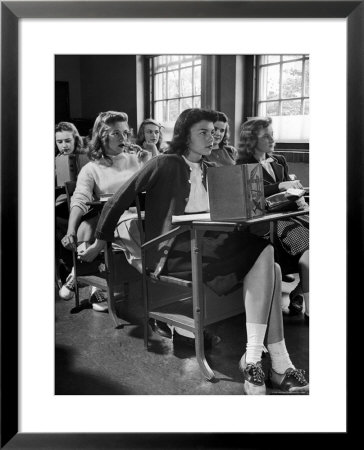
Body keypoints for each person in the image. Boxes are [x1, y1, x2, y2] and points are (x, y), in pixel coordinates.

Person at [79, 108, 309, 395]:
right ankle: (272, 363)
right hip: (172, 251)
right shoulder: (164, 163)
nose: (211, 137)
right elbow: (118, 200)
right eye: (203, 131)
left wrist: (273, 200)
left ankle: (262, 360)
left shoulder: (211, 168)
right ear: (183, 135)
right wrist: (100, 240)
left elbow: (236, 207)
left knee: (270, 263)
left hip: (208, 245)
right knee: (266, 256)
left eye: (213, 131)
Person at [59, 111, 158, 310]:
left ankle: (83, 274)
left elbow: (155, 189)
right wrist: (70, 230)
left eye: (125, 132)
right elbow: (79, 200)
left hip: (139, 215)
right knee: (118, 225)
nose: (124, 138)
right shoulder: (92, 168)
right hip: (109, 219)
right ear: (102, 136)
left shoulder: (137, 158)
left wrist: (148, 161)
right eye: (116, 134)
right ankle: (153, 279)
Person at [236, 117, 309, 322]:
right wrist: (279, 187)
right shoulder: (242, 164)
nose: (272, 139)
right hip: (270, 222)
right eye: (266, 136)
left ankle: (299, 292)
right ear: (251, 140)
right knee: (309, 250)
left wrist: (298, 195)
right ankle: (311, 310)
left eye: (272, 134)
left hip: (293, 213)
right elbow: (249, 197)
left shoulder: (279, 161)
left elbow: (290, 189)